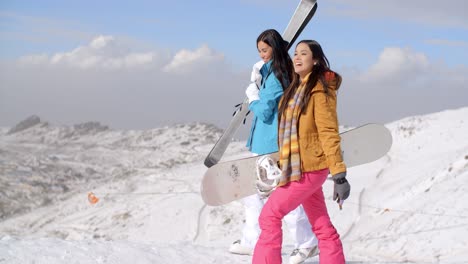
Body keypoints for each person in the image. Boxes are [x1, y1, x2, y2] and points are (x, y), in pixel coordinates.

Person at [251, 39, 351, 264]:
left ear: (315, 60)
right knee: (321, 224)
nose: (297, 57)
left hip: (309, 168)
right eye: (295, 53)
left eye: (303, 54)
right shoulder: (295, 88)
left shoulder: (320, 91)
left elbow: (328, 132)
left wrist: (339, 174)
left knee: (269, 216)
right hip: (298, 167)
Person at [229, 29, 319, 264]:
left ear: (275, 49)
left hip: (271, 145)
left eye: (265, 50)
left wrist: (253, 97)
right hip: (263, 142)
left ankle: (307, 242)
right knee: (254, 195)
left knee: (280, 196)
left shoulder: (278, 77)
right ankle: (251, 241)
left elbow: (266, 111)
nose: (262, 55)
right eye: (259, 50)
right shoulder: (270, 73)